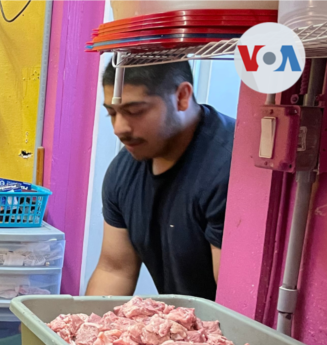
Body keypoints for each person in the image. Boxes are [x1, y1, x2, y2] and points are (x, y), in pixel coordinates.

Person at [86, 60, 235, 300]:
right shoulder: (123, 171)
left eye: (135, 111)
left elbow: (234, 298)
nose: (119, 128)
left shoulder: (231, 169)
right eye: (112, 113)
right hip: (182, 326)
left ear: (182, 97)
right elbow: (114, 270)